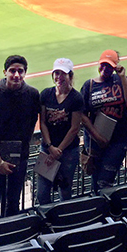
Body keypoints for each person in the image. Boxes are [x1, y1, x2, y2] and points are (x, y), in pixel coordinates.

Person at [0, 56, 39, 220]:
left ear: (25, 73)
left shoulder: (33, 95)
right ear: (5, 72)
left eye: (20, 71)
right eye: (12, 70)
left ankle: (8, 238)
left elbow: (32, 123)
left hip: (19, 158)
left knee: (13, 203)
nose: (16, 75)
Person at [80, 50, 127, 193]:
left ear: (116, 66)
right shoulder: (89, 85)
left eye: (109, 66)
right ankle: (101, 208)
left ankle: (106, 210)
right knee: (95, 180)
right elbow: (81, 115)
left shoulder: (122, 81)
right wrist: (97, 137)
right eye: (103, 65)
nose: (105, 69)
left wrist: (122, 77)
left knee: (105, 181)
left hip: (118, 140)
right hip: (95, 141)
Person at [38, 58, 83, 204]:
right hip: (47, 150)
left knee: (65, 189)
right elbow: (43, 122)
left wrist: (59, 150)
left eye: (63, 74)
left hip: (68, 151)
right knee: (42, 192)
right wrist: (50, 147)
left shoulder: (76, 98)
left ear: (70, 75)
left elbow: (74, 128)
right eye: (56, 73)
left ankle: (63, 221)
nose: (59, 77)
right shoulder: (45, 94)